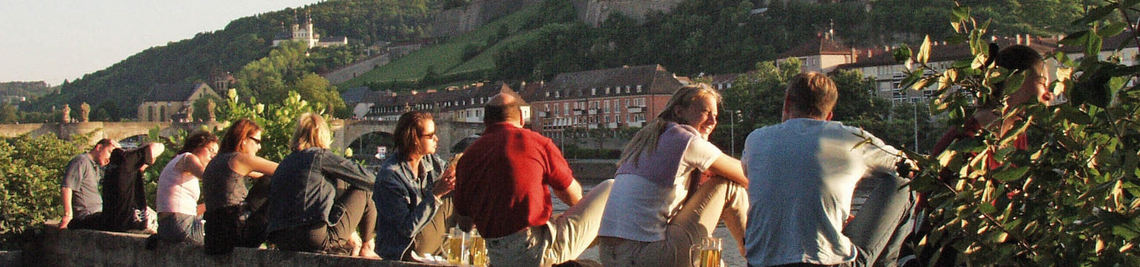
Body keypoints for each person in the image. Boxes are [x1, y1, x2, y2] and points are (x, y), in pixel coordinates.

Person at [742, 72, 914, 267]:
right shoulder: (851, 138)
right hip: (826, 263)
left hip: (759, 263)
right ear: (829, 116)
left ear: (788, 102)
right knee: (903, 181)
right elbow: (908, 166)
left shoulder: (756, 140)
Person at [915, 44, 1056, 266]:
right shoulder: (965, 143)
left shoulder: (1016, 134)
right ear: (1012, 82)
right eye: (1042, 83)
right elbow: (956, 224)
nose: (1050, 95)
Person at [453, 92, 615, 266]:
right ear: (522, 118)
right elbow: (573, 196)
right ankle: (620, 250)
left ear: (485, 122)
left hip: (496, 257)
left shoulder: (467, 158)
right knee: (610, 186)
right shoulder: (535, 142)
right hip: (536, 253)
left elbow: (464, 224)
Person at [597, 84, 750, 266]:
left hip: (611, 257)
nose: (712, 121)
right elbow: (747, 176)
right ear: (679, 111)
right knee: (729, 185)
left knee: (710, 254)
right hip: (645, 257)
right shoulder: (686, 141)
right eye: (705, 112)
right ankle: (759, 258)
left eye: (715, 116)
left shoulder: (648, 139)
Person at [267, 113, 379, 257]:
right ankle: (367, 246)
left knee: (339, 182)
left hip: (281, 239)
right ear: (324, 135)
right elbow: (369, 179)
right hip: (313, 238)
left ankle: (353, 241)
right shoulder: (319, 157)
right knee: (364, 190)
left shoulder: (285, 163)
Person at [373, 111, 458, 260]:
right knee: (449, 193)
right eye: (430, 136)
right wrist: (436, 195)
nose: (436, 139)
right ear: (414, 140)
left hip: (428, 239)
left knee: (459, 187)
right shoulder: (390, 177)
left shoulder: (431, 162)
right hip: (405, 248)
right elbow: (407, 228)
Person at [202, 118, 279, 254]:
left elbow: (258, 175)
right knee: (272, 181)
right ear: (244, 139)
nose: (259, 147)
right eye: (257, 142)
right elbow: (285, 169)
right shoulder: (240, 159)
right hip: (236, 234)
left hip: (214, 237)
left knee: (266, 180)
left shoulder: (217, 161)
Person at [155, 131, 218, 244]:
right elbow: (209, 177)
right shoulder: (188, 158)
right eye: (211, 150)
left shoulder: (178, 163)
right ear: (197, 146)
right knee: (221, 241)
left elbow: (189, 210)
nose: (212, 156)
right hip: (178, 224)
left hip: (167, 226)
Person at [101, 142, 165, 233]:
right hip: (128, 224)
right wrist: (139, 153)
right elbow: (159, 146)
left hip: (113, 223)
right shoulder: (126, 162)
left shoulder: (112, 169)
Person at [59, 138, 119, 230]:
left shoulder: (96, 167)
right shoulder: (81, 161)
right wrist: (68, 215)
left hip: (98, 213)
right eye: (109, 152)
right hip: (87, 215)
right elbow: (67, 187)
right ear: (99, 147)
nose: (109, 158)